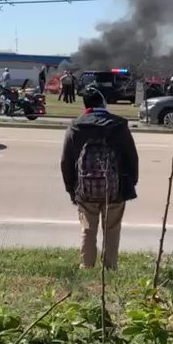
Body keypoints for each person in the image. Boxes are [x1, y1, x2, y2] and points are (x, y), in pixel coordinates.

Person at [61, 87, 139, 270]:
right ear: (102, 103)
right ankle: (110, 268)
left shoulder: (76, 126)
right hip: (115, 189)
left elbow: (66, 161)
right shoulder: (119, 125)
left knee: (88, 229)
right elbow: (131, 157)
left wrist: (71, 189)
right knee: (112, 229)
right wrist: (131, 182)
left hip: (85, 189)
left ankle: (86, 266)